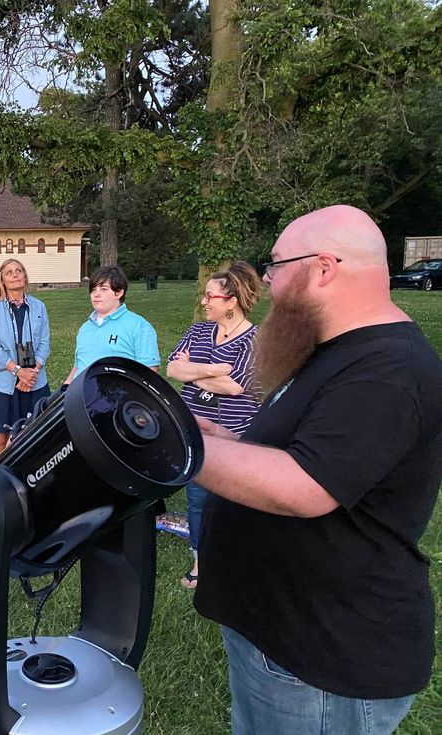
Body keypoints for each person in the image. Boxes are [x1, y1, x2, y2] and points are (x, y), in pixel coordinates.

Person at [193, 205, 442, 734]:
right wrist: (230, 442)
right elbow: (315, 453)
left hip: (323, 658)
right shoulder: (334, 351)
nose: (268, 279)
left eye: (278, 265)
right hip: (282, 635)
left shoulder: (388, 369)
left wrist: (176, 446)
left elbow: (308, 485)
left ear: (324, 267)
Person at [166, 262, 262, 589]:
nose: (204, 302)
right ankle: (200, 560)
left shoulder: (254, 340)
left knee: (234, 500)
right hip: (196, 431)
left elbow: (236, 386)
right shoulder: (197, 331)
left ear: (232, 301)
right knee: (197, 498)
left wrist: (196, 370)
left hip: (235, 434)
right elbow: (174, 370)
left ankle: (234, 557)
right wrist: (215, 369)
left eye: (211, 296)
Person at [0, 258, 51, 458]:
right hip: (4, 384)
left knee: (35, 436)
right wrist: (19, 372)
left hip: (35, 382)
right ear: (2, 279)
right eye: (9, 272)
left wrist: (32, 373)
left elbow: (45, 344)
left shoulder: (39, 308)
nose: (15, 274)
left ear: (25, 276)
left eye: (19, 270)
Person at [65, 265, 159, 384]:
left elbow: (149, 371)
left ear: (119, 292)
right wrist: (65, 392)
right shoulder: (85, 328)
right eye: (93, 289)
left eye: (103, 289)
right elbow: (78, 365)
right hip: (80, 398)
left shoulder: (139, 326)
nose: (96, 294)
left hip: (115, 399)